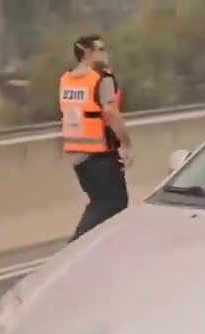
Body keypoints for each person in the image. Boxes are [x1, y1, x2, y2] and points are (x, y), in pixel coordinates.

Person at [61, 34, 133, 243]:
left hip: (77, 154)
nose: (105, 53)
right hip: (99, 152)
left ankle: (96, 246)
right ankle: (75, 247)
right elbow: (111, 113)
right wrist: (126, 144)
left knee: (100, 202)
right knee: (113, 203)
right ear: (86, 52)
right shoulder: (101, 78)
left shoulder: (68, 79)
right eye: (100, 49)